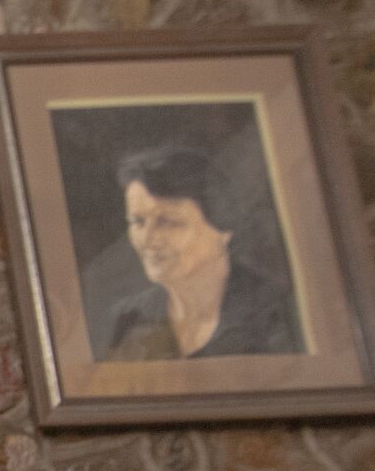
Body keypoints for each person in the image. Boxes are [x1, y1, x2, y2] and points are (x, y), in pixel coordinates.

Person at [103, 146, 303, 362]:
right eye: (138, 222)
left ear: (223, 227)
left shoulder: (276, 311)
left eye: (169, 222)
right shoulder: (130, 319)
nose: (148, 239)